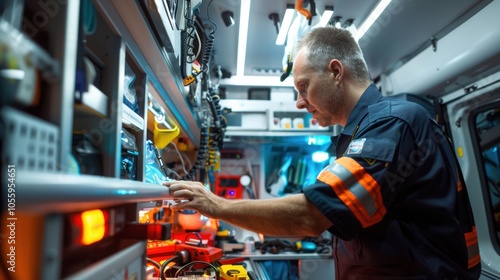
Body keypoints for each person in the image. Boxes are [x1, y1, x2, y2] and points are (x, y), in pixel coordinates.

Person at [164, 26, 481, 279]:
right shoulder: (362, 132)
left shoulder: (392, 124)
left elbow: (312, 214)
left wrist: (215, 205)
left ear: (336, 71)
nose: (300, 103)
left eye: (304, 87)